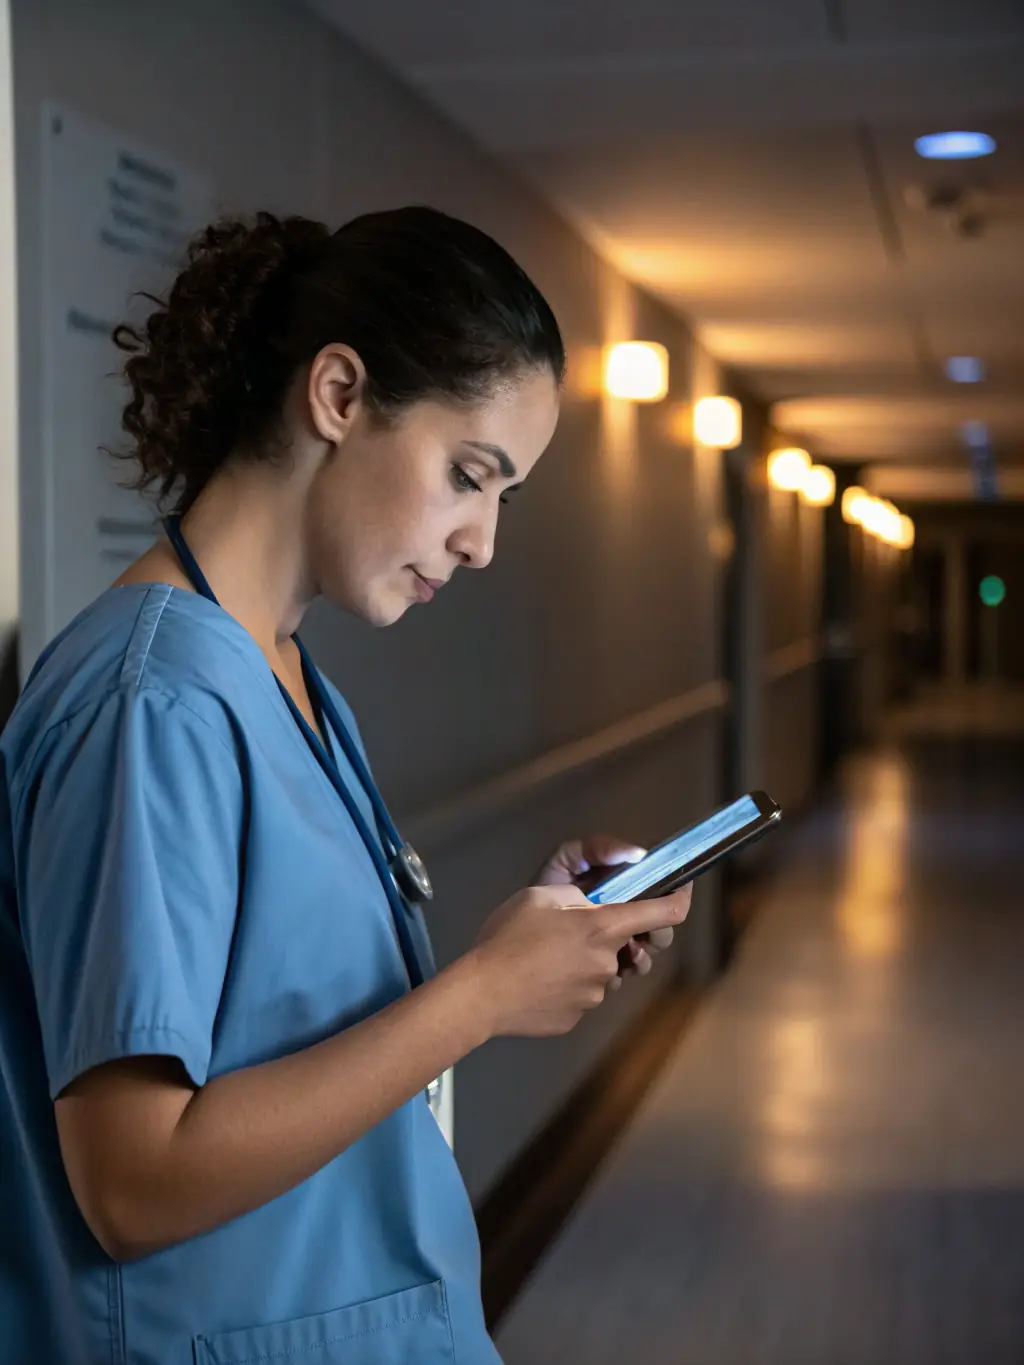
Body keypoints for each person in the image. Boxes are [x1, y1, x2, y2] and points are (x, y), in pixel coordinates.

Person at [0, 206, 691, 1364]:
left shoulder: (284, 678)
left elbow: (291, 1023)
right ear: (337, 395)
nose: (480, 543)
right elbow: (133, 1180)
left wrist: (524, 951)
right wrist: (478, 995)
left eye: (502, 499)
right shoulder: (151, 708)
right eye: (469, 475)